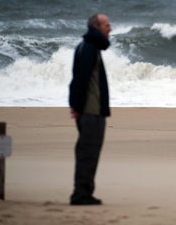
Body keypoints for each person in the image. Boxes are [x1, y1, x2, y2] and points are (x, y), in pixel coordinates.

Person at [69, 13, 112, 205]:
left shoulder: (88, 47)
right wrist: (77, 107)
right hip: (90, 112)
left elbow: (76, 79)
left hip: (91, 111)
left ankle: (84, 193)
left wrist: (75, 106)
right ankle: (81, 195)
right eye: (106, 25)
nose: (110, 29)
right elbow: (80, 80)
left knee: (88, 153)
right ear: (95, 27)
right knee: (88, 154)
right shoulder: (88, 49)